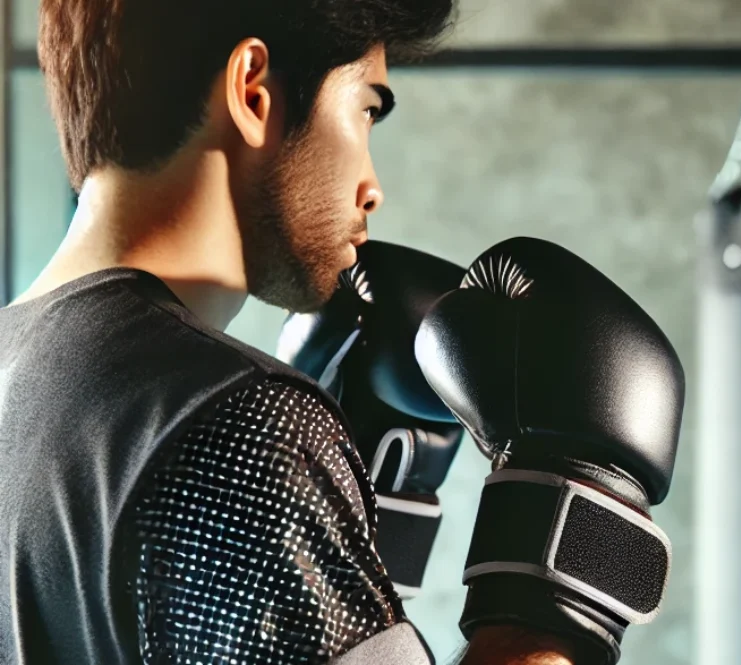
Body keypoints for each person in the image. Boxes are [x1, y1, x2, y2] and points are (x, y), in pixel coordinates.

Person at [0, 1, 601, 663]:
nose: (372, 188)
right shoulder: (239, 425)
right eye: (367, 109)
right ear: (254, 91)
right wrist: (556, 603)